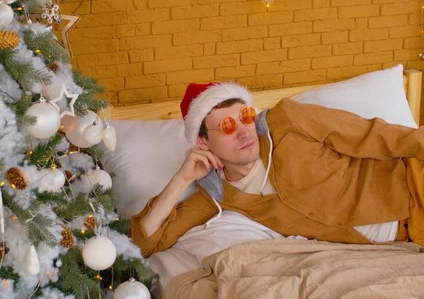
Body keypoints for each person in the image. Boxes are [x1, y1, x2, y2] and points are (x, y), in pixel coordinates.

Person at [129, 81, 424, 258]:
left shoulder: (288, 120)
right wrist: (181, 179)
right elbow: (145, 244)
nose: (245, 132)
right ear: (203, 142)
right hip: (407, 238)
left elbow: (373, 135)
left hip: (413, 186)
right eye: (227, 126)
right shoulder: (217, 196)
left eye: (246, 116)